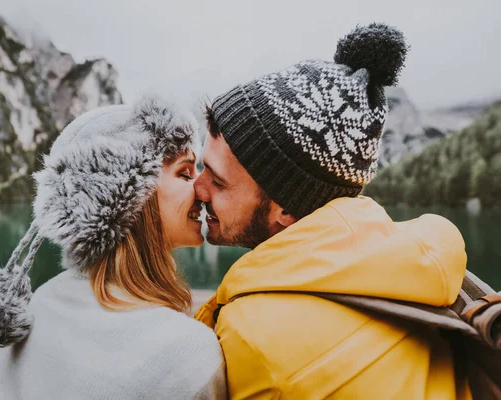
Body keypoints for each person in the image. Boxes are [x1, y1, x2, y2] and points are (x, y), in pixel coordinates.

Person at [194, 23, 471, 399]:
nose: (198, 188)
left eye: (218, 180)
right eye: (200, 166)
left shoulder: (255, 338)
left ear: (287, 208)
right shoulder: (415, 267)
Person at [0, 96, 226, 400]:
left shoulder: (40, 304)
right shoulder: (189, 353)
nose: (201, 188)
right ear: (126, 194)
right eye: (184, 173)